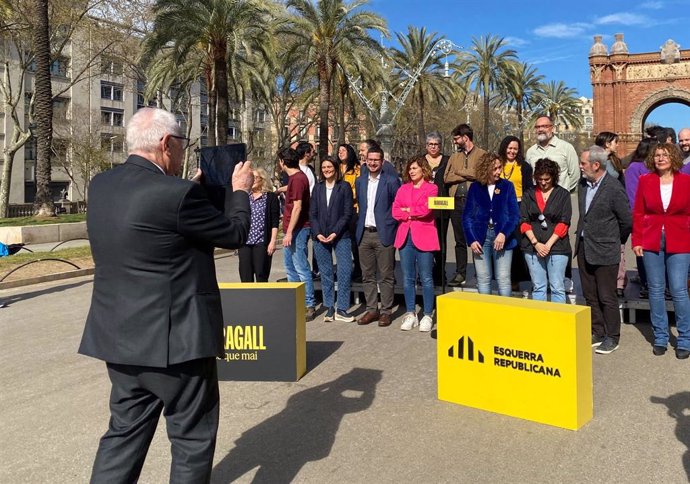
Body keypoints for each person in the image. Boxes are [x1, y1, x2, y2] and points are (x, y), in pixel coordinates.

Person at [78, 107, 253, 483]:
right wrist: (240, 192)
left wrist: (187, 189)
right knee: (191, 441)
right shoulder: (177, 195)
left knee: (123, 436)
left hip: (120, 341)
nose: (181, 151)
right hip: (178, 344)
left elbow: (156, 229)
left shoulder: (101, 185)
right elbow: (235, 234)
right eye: (181, 144)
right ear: (165, 142)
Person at [632, 143, 690, 360]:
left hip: (681, 240)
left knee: (678, 290)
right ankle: (660, 337)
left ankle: (684, 338)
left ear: (673, 157)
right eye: (657, 155)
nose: (660, 158)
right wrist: (637, 240)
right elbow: (638, 212)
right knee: (655, 290)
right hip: (651, 239)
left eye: (665, 155)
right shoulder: (645, 181)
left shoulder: (686, 181)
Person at [576, 146, 632, 355]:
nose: (580, 167)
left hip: (606, 249)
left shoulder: (613, 188)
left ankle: (612, 336)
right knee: (590, 294)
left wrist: (615, 240)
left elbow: (626, 221)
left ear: (596, 165)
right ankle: (597, 331)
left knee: (606, 295)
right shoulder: (583, 184)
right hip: (584, 247)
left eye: (583, 163)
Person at [355, 146, 401, 327]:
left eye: (376, 160)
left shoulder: (391, 181)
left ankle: (386, 311)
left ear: (382, 162)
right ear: (365, 161)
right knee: (367, 275)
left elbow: (396, 206)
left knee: (386, 275)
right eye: (369, 159)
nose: (372, 163)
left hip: (384, 233)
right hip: (364, 233)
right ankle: (372, 309)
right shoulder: (360, 181)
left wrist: (390, 225)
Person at [462, 152, 520, 297]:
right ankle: (486, 315)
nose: (498, 171)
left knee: (504, 279)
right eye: (494, 169)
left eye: (500, 167)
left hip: (502, 238)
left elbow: (514, 215)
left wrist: (503, 234)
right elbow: (467, 216)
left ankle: (504, 315)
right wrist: (471, 239)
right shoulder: (475, 187)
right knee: (483, 279)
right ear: (485, 169)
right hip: (480, 237)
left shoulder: (507, 186)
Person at [392, 157, 439, 332]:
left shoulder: (432, 188)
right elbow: (395, 210)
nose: (411, 171)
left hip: (424, 236)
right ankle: (411, 313)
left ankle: (427, 314)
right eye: (409, 168)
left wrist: (408, 211)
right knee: (408, 278)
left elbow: (426, 209)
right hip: (406, 237)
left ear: (423, 170)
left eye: (415, 168)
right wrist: (410, 213)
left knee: (426, 277)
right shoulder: (403, 189)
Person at [310, 157, 355, 323]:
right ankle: (329, 307)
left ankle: (341, 308)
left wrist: (335, 232)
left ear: (336, 168)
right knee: (326, 273)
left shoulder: (344, 187)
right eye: (323, 167)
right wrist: (317, 232)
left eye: (329, 166)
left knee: (344, 270)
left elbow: (347, 213)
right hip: (320, 236)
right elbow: (312, 213)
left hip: (341, 235)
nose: (326, 170)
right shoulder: (318, 188)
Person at [519, 158, 572, 303]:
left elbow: (564, 223)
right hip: (532, 247)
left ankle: (559, 322)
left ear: (553, 177)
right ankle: (540, 322)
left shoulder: (563, 195)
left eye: (547, 179)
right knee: (538, 287)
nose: (543, 182)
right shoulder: (529, 194)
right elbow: (523, 222)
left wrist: (547, 245)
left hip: (557, 247)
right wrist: (536, 243)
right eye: (540, 179)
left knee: (557, 287)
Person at [444, 123, 486, 287]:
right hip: (456, 203)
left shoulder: (482, 155)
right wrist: (467, 175)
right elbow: (447, 177)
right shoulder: (454, 157)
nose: (455, 141)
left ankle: (480, 274)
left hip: (475, 203)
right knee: (459, 240)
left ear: (465, 138)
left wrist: (460, 172)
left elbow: (482, 175)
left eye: (456, 138)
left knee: (477, 239)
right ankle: (461, 273)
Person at [279, 147, 316, 321]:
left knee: (301, 266)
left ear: (283, 162)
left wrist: (289, 233)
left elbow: (298, 207)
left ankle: (309, 304)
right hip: (290, 228)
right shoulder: (294, 178)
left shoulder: (299, 179)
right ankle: (296, 302)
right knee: (290, 267)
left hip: (298, 229)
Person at [498, 135, 533, 291]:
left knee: (517, 243)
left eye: (515, 149)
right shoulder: (497, 164)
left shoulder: (524, 166)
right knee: (500, 241)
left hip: (518, 206)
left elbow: (528, 190)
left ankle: (515, 279)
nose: (512, 151)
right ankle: (501, 277)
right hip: (499, 206)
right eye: (509, 148)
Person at [595, 131, 627, 297]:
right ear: (607, 143)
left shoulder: (615, 160)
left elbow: (622, 182)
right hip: (599, 207)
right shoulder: (594, 159)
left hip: (616, 206)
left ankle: (619, 282)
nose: (617, 145)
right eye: (615, 142)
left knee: (619, 247)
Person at [624, 137, 656, 297]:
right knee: (642, 251)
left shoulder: (655, 167)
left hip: (659, 220)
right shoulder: (635, 168)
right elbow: (632, 196)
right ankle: (646, 284)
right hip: (642, 219)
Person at [238, 168, 279, 283]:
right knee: (245, 275)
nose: (253, 180)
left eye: (255, 177)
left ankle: (262, 300)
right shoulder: (245, 196)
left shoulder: (270, 197)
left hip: (261, 242)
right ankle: (247, 300)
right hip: (245, 242)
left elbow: (275, 221)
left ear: (262, 179)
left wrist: (273, 241)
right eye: (251, 178)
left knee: (261, 274)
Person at [525, 116, 580, 192]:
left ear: (553, 128)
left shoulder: (566, 148)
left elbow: (575, 175)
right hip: (538, 199)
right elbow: (529, 176)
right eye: (537, 127)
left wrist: (563, 192)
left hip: (560, 200)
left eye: (545, 126)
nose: (540, 129)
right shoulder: (530, 152)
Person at [425, 131, 450, 286]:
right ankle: (425, 272)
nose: (433, 147)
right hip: (424, 206)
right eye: (431, 144)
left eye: (436, 144)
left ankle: (440, 272)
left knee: (441, 241)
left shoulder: (447, 161)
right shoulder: (421, 161)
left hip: (442, 206)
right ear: (426, 146)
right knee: (426, 241)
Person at [338, 143, 362, 281]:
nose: (340, 153)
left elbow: (358, 188)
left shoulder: (357, 169)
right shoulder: (336, 168)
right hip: (339, 209)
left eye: (343, 150)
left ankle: (358, 269)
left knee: (354, 240)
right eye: (339, 151)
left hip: (353, 208)